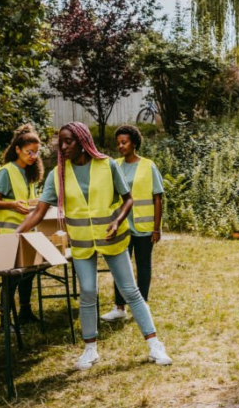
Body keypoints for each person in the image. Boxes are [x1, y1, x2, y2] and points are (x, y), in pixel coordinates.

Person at [16, 122, 173, 370]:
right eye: (61, 141)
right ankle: (90, 350)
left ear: (83, 141)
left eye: (69, 141)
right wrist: (16, 233)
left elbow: (128, 199)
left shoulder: (107, 165)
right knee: (87, 292)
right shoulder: (57, 174)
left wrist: (117, 220)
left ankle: (155, 345)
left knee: (130, 290)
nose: (63, 146)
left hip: (112, 239)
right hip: (81, 243)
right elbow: (39, 212)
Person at [100, 125, 164, 322]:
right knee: (120, 268)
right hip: (122, 227)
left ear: (134, 143)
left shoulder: (148, 166)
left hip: (144, 228)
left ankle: (141, 305)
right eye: (118, 142)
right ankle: (119, 307)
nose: (120, 146)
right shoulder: (115, 166)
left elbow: (158, 197)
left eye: (124, 142)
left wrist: (156, 227)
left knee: (143, 266)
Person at [0, 124, 44, 325]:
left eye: (36, 153)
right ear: (18, 150)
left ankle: (25, 312)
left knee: (28, 275)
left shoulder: (28, 174)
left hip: (27, 233)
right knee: (11, 279)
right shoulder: (6, 172)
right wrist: (13, 205)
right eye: (30, 152)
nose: (33, 156)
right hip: (8, 233)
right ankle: (5, 321)